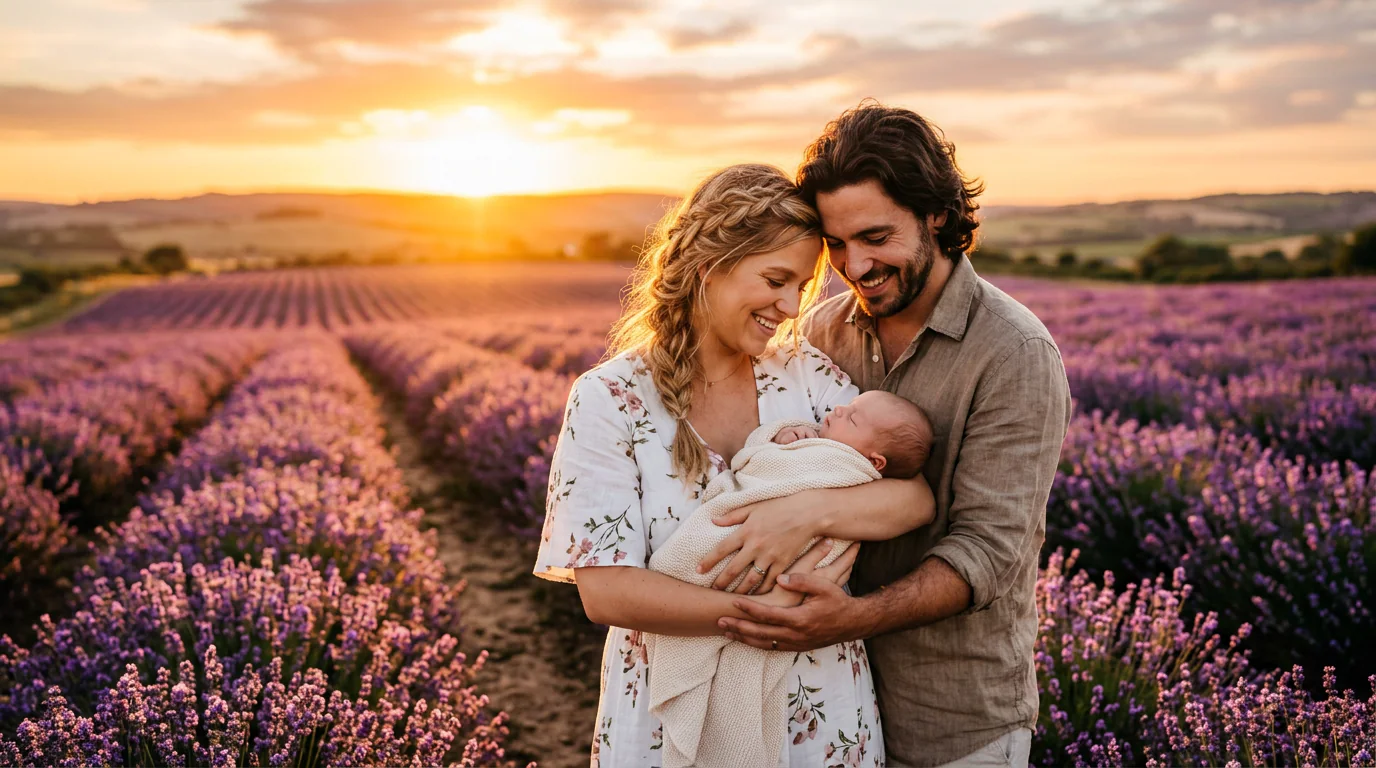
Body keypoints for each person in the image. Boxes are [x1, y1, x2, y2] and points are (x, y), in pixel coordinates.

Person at [532, 162, 936, 767]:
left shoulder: (808, 378)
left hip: (815, 708)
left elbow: (914, 498)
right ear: (709, 267)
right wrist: (769, 618)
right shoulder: (609, 397)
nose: (790, 307)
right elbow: (607, 592)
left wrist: (803, 514)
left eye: (800, 286)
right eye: (776, 279)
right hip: (666, 712)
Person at [706, 102, 1073, 768]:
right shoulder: (821, 332)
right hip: (823, 701)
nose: (855, 264)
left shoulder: (1014, 351)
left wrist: (851, 618)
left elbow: (990, 552)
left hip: (951, 716)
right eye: (837, 244)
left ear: (936, 213)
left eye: (876, 236)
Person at [642, 390, 934, 768]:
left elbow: (919, 500)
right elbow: (761, 466)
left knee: (740, 692)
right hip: (699, 601)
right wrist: (780, 438)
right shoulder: (818, 434)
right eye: (847, 407)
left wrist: (808, 511)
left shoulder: (843, 457)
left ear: (873, 460)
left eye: (854, 418)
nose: (840, 408)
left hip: (813, 670)